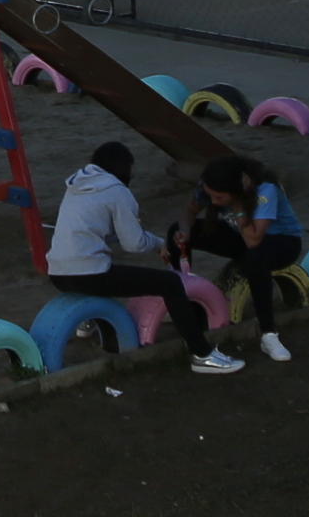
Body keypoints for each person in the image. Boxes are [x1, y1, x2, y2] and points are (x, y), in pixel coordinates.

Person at [46, 141, 239, 374]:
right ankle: (203, 354)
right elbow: (133, 243)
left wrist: (151, 240)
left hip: (57, 274)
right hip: (89, 274)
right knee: (171, 283)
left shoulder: (76, 186)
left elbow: (102, 233)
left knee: (104, 267)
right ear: (125, 169)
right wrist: (158, 243)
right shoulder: (117, 191)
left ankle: (87, 323)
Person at [174, 155, 305, 365]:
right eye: (211, 196)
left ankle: (268, 334)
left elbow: (253, 240)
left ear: (238, 191)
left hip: (282, 241)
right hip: (241, 233)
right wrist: (184, 230)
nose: (214, 202)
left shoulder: (265, 189)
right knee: (176, 232)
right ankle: (181, 300)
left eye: (220, 198)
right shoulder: (211, 185)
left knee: (255, 257)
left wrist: (239, 207)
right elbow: (190, 210)